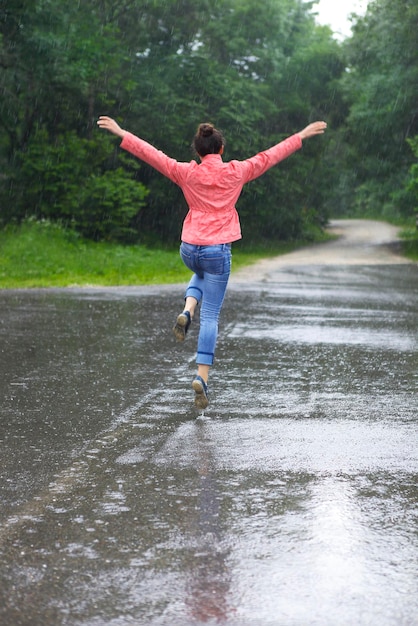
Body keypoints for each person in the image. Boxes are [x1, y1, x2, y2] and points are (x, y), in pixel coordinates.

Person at [97, 115, 327, 410]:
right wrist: (301, 135)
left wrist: (122, 132)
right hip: (217, 250)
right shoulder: (237, 171)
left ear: (198, 151)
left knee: (201, 274)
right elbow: (270, 156)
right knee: (212, 316)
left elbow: (153, 155)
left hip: (189, 248)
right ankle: (201, 378)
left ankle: (187, 309)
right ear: (220, 149)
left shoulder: (186, 172)